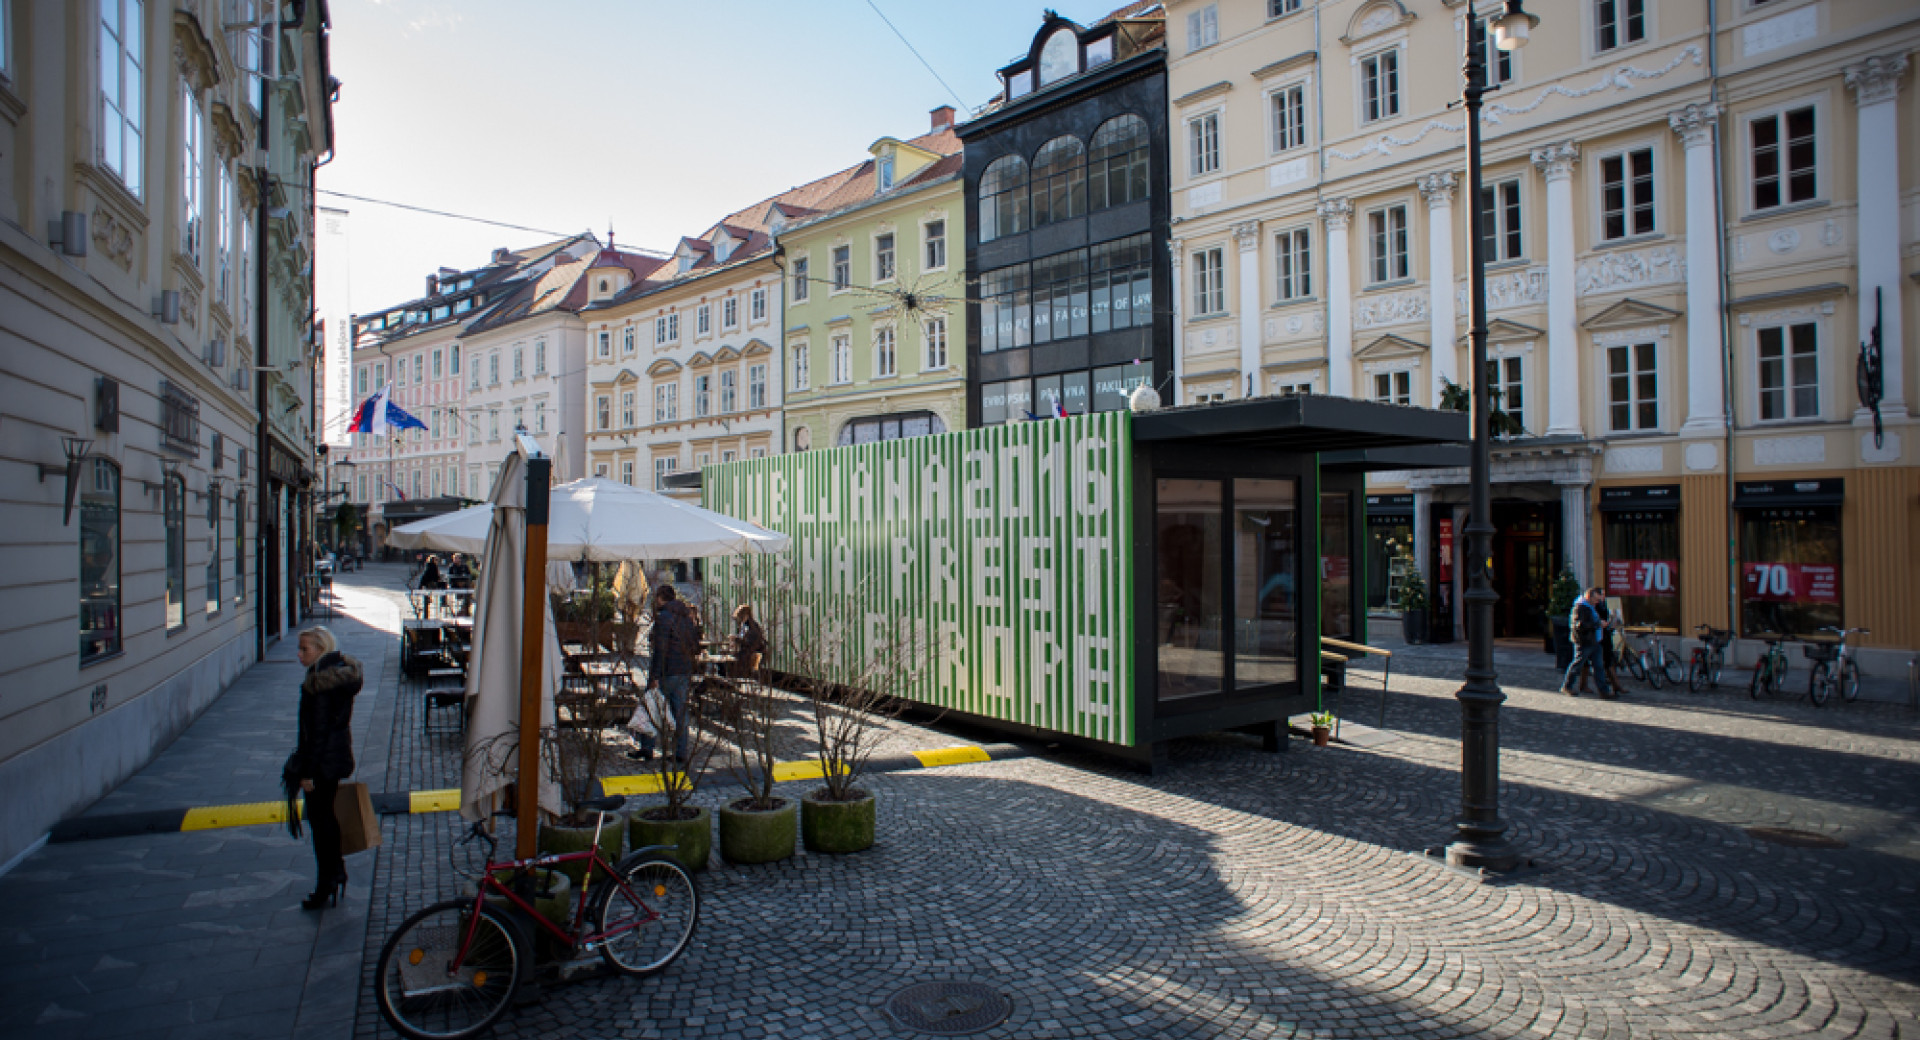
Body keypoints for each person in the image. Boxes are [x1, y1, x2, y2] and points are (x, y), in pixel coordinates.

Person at [284, 626, 362, 910]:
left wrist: (307, 773)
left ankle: (327, 881)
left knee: (321, 824)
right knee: (326, 819)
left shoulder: (320, 684)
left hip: (323, 763)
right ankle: (336, 873)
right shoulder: (339, 676)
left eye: (305, 648)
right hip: (336, 758)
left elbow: (316, 734)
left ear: (321, 649)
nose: (299, 654)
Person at [632, 585, 701, 762]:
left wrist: (654, 676)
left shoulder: (664, 618)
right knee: (680, 713)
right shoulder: (687, 618)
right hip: (683, 670)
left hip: (667, 671)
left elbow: (660, 650)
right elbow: (695, 645)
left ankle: (647, 748)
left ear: (660, 598)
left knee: (652, 708)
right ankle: (680, 752)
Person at [1561, 587, 1615, 699]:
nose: (1597, 602)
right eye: (1596, 599)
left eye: (1598, 600)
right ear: (1588, 597)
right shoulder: (1580, 607)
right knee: (1578, 664)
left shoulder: (1591, 606)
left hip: (1595, 640)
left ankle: (1604, 691)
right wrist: (1598, 624)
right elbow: (1580, 625)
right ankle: (1567, 686)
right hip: (1584, 641)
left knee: (1599, 666)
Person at [731, 604, 766, 679]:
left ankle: (737, 677)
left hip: (752, 653)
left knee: (734, 661)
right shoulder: (746, 625)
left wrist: (737, 639)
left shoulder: (751, 626)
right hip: (748, 651)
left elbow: (749, 642)